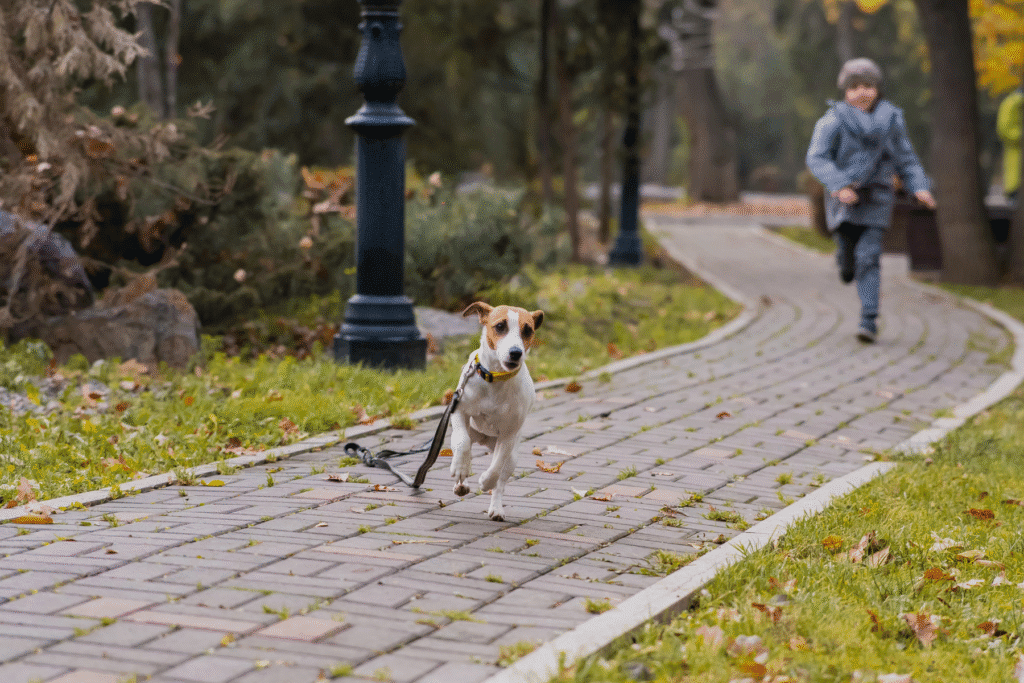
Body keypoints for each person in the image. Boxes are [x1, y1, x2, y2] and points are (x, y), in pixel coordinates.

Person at [806, 57, 935, 344]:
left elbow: (906, 159)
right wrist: (839, 185)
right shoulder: (834, 120)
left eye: (867, 86)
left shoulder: (891, 121)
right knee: (848, 257)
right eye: (854, 87)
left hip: (878, 198)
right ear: (845, 91)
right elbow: (817, 157)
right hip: (845, 201)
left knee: (869, 256)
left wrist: (919, 187)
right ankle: (844, 261)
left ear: (878, 89)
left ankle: (868, 320)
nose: (861, 92)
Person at [997, 87, 1022, 203]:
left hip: (1013, 147)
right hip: (1015, 148)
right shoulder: (1014, 103)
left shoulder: (1010, 102)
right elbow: (1005, 129)